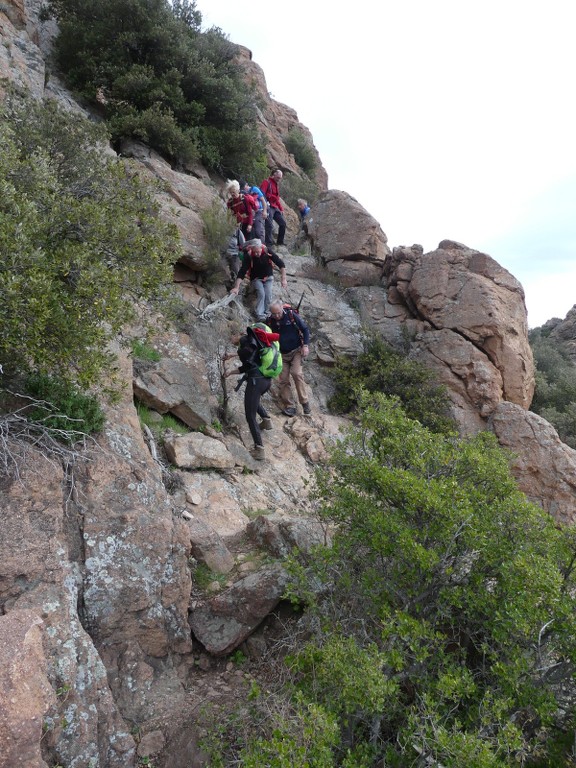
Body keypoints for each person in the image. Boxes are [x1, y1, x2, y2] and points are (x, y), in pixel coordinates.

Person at [223, 325, 280, 460]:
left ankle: (259, 449)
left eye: (232, 336)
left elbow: (248, 352)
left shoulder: (246, 341)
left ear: (238, 334)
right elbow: (248, 365)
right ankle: (266, 420)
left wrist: (232, 354)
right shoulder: (257, 343)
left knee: (250, 415)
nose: (231, 339)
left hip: (256, 381)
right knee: (253, 402)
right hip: (265, 381)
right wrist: (231, 372)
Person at [267, 300, 311, 416]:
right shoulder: (269, 321)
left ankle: (305, 403)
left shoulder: (291, 316)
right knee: (283, 380)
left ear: (282, 308)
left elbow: (305, 329)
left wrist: (305, 345)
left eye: (278, 313)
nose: (276, 316)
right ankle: (290, 406)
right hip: (281, 354)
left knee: (297, 374)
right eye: (274, 314)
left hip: (296, 351)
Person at [229, 239, 287, 321]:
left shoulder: (267, 250)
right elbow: (242, 272)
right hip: (256, 278)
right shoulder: (248, 256)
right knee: (261, 293)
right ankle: (260, 315)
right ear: (252, 249)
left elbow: (280, 264)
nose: (257, 254)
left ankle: (268, 314)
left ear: (261, 248)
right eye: (255, 252)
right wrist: (236, 287)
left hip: (268, 277)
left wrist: (283, 279)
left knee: (268, 293)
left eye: (259, 251)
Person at [260, 169, 286, 248]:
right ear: (274, 174)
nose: (279, 179)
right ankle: (269, 244)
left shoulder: (275, 184)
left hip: (275, 207)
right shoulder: (266, 182)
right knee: (269, 225)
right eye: (278, 177)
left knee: (283, 224)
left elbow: (277, 199)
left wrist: (281, 209)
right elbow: (262, 195)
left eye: (280, 178)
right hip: (268, 206)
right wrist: (265, 207)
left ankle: (280, 242)